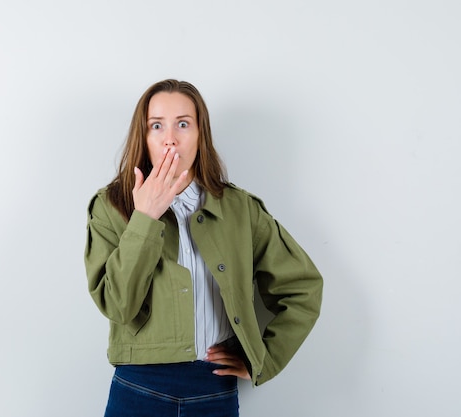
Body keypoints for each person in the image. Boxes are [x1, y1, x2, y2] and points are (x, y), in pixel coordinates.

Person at [84, 79, 323, 417]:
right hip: (138, 388)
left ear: (200, 134)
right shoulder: (111, 206)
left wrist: (263, 359)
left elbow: (303, 287)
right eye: (157, 125)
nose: (170, 137)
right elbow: (118, 306)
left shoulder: (240, 209)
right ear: (144, 136)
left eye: (183, 123)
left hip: (215, 392)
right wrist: (145, 217)